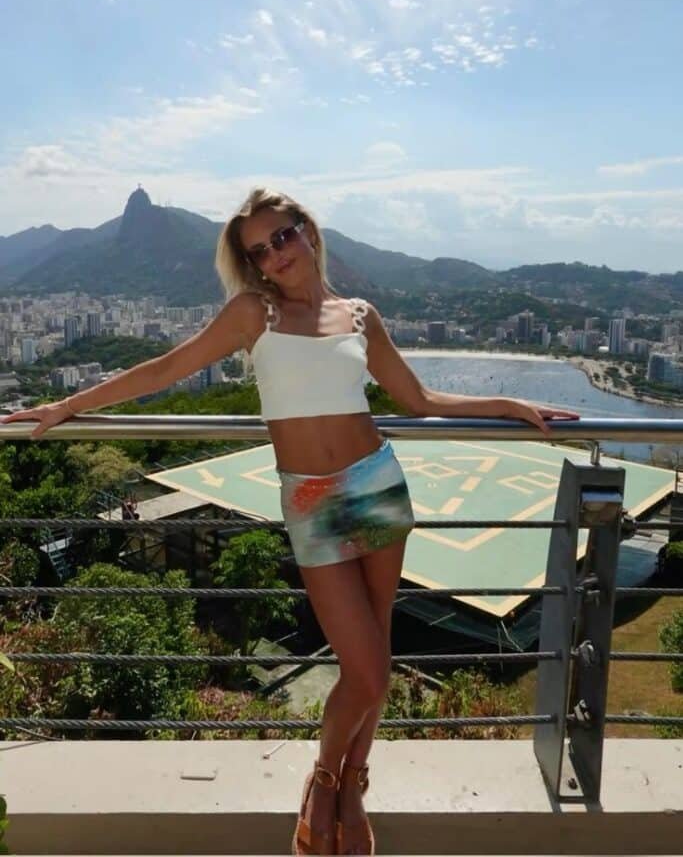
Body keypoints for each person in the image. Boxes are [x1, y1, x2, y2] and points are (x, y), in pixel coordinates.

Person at [2, 187, 579, 855]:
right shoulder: (256, 313)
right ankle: (323, 778)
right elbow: (166, 368)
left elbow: (417, 398)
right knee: (362, 670)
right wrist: (67, 404)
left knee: (378, 660)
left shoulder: (359, 315)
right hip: (310, 501)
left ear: (307, 232)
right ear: (252, 267)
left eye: (282, 236)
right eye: (259, 251)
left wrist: (506, 402)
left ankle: (350, 782)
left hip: (377, 485)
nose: (275, 255)